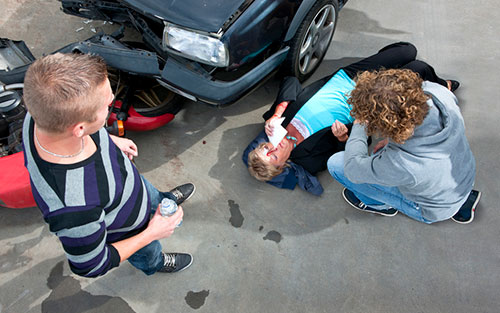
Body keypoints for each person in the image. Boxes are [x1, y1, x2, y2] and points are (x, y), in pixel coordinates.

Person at [22, 53, 196, 277]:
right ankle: (156, 263)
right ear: (80, 130)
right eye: (106, 106)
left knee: (153, 198)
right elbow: (92, 265)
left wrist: (108, 140)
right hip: (131, 229)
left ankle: (162, 202)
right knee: (148, 252)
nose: (111, 102)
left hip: (130, 187)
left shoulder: (42, 112)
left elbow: (76, 123)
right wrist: (152, 232)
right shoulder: (74, 209)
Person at [245, 42, 459, 194]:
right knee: (417, 69)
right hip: (367, 100)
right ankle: (442, 85)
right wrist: (342, 138)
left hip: (346, 77)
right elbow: (348, 153)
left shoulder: (274, 124)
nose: (272, 149)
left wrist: (277, 113)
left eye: (265, 149)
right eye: (272, 157)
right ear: (283, 166)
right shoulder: (308, 160)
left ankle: (401, 74)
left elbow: (290, 81)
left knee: (406, 50)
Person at [327, 68, 480, 224]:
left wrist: (360, 123)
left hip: (432, 209)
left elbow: (354, 170)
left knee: (337, 165)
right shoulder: (440, 94)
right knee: (382, 157)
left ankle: (379, 205)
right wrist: (390, 140)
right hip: (462, 177)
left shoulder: (402, 162)